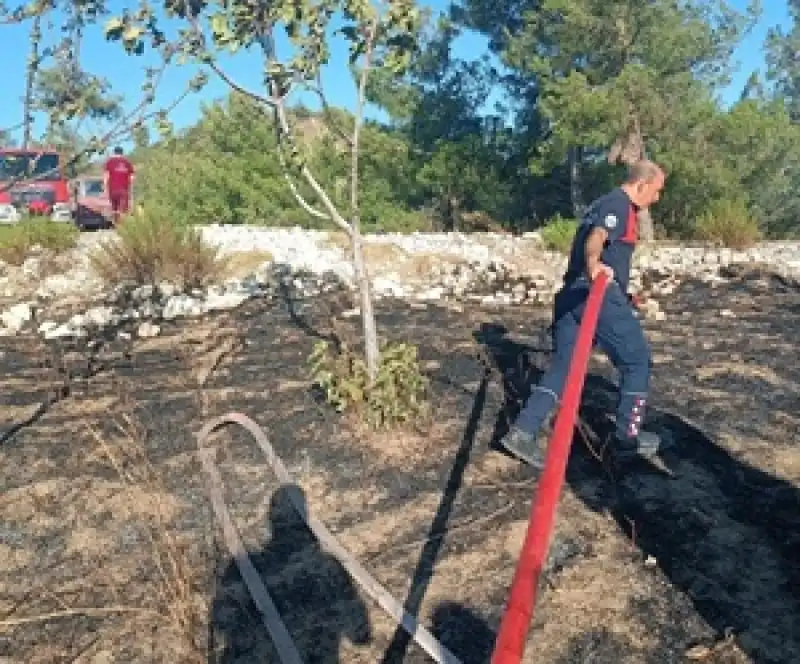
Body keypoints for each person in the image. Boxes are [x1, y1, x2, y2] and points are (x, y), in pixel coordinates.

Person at [498, 160, 667, 470]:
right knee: (637, 361)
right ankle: (626, 438)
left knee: (564, 367)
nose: (656, 199)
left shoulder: (601, 203)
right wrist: (594, 267)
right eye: (656, 191)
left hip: (571, 297)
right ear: (642, 184)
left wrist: (625, 294)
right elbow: (596, 239)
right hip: (595, 295)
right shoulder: (618, 204)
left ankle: (523, 431)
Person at [103, 146, 135, 225]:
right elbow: (132, 177)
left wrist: (105, 188)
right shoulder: (127, 163)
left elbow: (106, 176)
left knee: (114, 208)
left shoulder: (110, 162)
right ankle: (122, 226)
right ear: (122, 152)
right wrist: (130, 188)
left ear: (114, 152)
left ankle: (116, 225)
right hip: (124, 189)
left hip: (112, 189)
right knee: (123, 209)